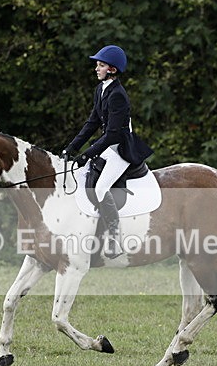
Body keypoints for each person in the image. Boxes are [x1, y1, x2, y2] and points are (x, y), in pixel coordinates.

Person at [63, 45, 153, 258]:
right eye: (97, 64)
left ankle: (114, 239)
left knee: (101, 187)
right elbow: (92, 122)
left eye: (101, 65)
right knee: (84, 176)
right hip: (108, 144)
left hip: (121, 147)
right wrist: (72, 147)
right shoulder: (101, 89)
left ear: (112, 70)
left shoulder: (118, 95)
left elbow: (113, 135)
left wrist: (87, 154)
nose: (96, 68)